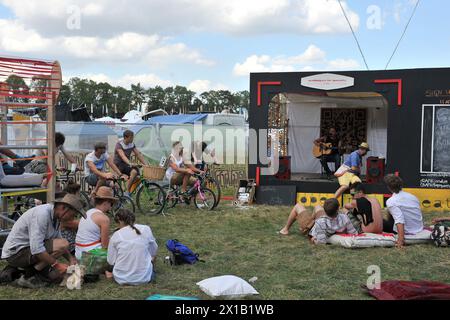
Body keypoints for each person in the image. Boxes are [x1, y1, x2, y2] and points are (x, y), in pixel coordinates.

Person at [0, 194, 86, 288]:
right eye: (73, 215)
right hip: (16, 253)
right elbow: (37, 249)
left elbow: (59, 242)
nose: (73, 218)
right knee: (63, 245)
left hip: (27, 251)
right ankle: (28, 276)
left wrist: (70, 259)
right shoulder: (42, 214)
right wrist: (57, 265)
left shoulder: (55, 217)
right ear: (64, 208)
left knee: (56, 276)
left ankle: (19, 271)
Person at [107, 209, 158, 285]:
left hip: (121, 278)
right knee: (152, 257)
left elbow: (110, 261)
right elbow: (154, 250)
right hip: (145, 278)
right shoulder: (145, 228)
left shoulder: (116, 236)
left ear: (120, 221)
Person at [279, 198, 358, 244]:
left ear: (325, 210)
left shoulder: (321, 222)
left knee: (297, 206)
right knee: (317, 207)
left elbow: (321, 241)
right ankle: (311, 219)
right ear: (338, 209)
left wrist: (314, 240)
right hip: (328, 221)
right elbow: (354, 233)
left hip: (314, 227)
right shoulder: (344, 217)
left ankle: (285, 229)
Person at [75, 186, 116, 260]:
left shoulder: (88, 212)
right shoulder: (104, 219)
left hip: (78, 252)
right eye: (111, 203)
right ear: (106, 202)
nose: (111, 207)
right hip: (90, 254)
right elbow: (105, 246)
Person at [383, 174, 424, 248]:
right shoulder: (413, 196)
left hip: (407, 231)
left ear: (388, 187)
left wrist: (400, 241)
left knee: (379, 222)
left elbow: (400, 220)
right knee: (390, 213)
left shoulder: (391, 201)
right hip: (418, 228)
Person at [113, 130, 149, 196]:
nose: (132, 139)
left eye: (132, 137)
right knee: (120, 180)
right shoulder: (119, 144)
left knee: (136, 174)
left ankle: (127, 191)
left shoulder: (131, 144)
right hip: (118, 164)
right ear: (125, 137)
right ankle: (122, 193)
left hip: (126, 164)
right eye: (131, 137)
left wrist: (145, 164)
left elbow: (138, 154)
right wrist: (130, 163)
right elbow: (122, 156)